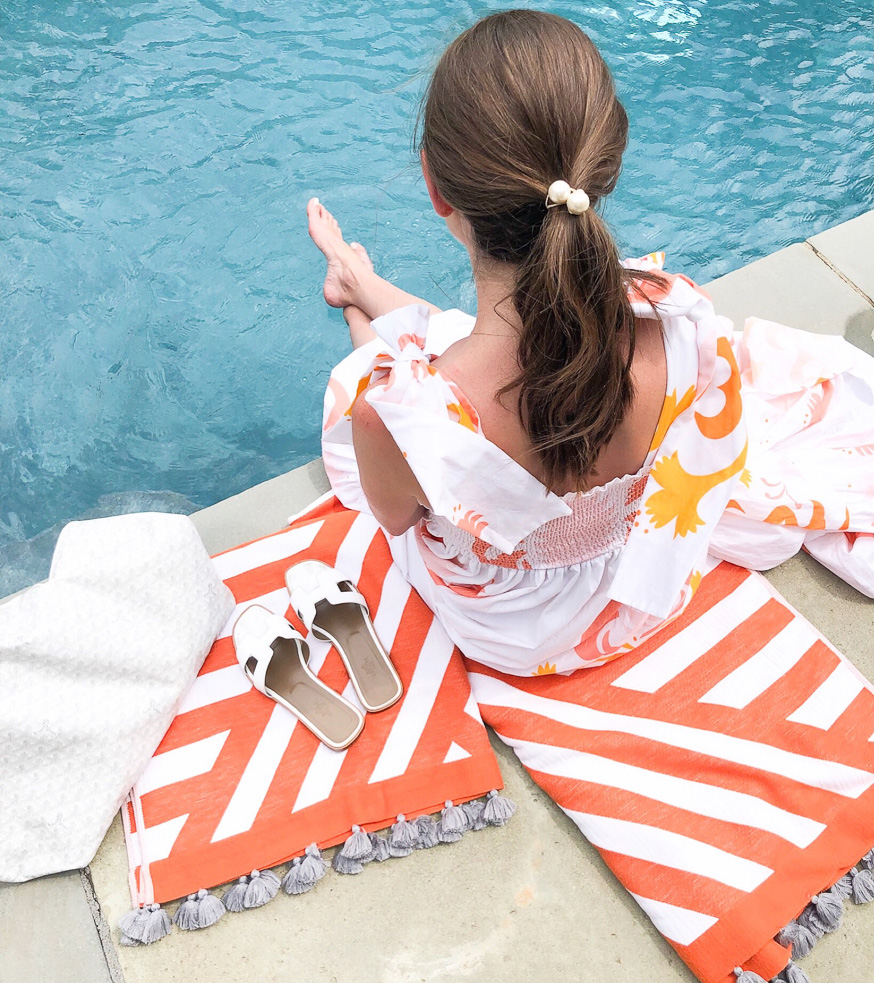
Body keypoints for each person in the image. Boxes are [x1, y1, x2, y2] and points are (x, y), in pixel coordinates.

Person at [307, 9, 874, 677]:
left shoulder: (394, 420)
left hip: (514, 630)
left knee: (386, 382)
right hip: (639, 588)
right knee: (457, 359)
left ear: (435, 186)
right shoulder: (680, 322)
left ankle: (360, 312)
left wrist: (378, 361)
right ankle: (364, 286)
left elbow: (398, 521)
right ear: (606, 157)